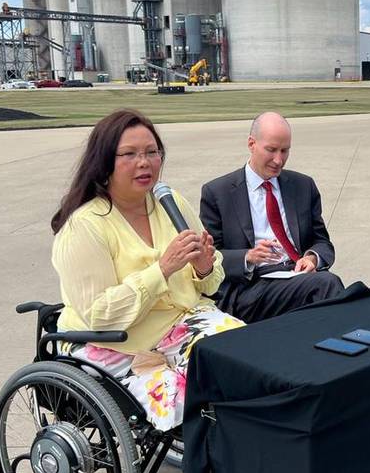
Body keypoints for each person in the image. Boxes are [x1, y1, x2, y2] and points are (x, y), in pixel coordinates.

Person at [51, 109, 243, 431]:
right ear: (105, 164)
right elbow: (99, 315)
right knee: (192, 400)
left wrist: (203, 266)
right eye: (129, 154)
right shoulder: (84, 227)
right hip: (118, 342)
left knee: (245, 360)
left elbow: (211, 285)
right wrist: (162, 269)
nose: (145, 162)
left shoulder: (171, 203)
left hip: (182, 323)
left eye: (152, 152)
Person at [200, 111, 344, 321]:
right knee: (327, 285)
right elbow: (210, 257)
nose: (279, 160)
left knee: (343, 290)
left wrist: (312, 258)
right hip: (251, 286)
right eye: (271, 150)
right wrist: (248, 257)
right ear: (251, 144)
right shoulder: (218, 193)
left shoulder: (303, 186)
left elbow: (322, 241)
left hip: (297, 275)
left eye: (285, 151)